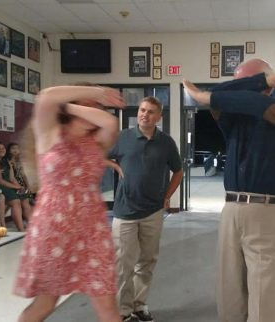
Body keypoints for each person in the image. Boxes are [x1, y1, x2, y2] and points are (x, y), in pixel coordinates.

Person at [183, 58, 275, 322]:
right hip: (232, 210)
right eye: (237, 82)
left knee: (267, 302)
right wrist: (262, 80)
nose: (238, 88)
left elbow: (230, 99)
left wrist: (262, 84)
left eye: (246, 82)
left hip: (271, 212)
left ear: (267, 87)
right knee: (229, 297)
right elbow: (218, 95)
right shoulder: (233, 119)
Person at [13, 85, 125, 322]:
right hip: (54, 228)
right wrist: (89, 96)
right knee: (44, 304)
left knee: (107, 306)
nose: (96, 110)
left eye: (97, 107)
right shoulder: (49, 132)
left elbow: (111, 122)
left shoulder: (97, 139)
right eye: (91, 106)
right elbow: (45, 98)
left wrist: (72, 104)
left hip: (91, 229)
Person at [108, 96, 183, 322]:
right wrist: (111, 164)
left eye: (150, 112)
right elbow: (97, 156)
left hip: (153, 211)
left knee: (147, 262)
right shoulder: (122, 138)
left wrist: (167, 197)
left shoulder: (167, 142)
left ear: (159, 117)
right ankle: (123, 310)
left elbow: (178, 171)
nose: (144, 114)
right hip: (125, 211)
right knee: (123, 264)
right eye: (142, 110)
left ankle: (139, 305)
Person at [0, 142, 30, 230]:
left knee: (25, 197)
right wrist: (15, 187)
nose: (2, 150)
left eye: (3, 148)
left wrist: (19, 186)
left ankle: (31, 225)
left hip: (9, 185)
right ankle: (21, 229)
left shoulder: (6, 160)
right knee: (16, 201)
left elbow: (12, 178)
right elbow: (0, 181)